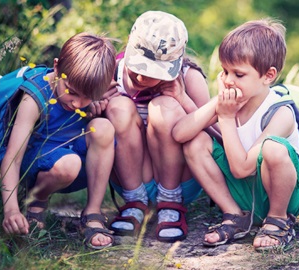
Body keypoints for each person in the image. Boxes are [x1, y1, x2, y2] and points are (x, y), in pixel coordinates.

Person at [172, 18, 299, 251]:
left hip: (281, 196)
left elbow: (242, 168)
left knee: (273, 148)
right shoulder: (230, 100)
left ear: (268, 76)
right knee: (195, 142)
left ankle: (278, 221)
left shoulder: (281, 112)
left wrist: (225, 118)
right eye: (224, 71)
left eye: (238, 74)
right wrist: (216, 106)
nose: (227, 81)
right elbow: (179, 134)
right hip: (243, 193)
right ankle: (235, 215)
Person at [88, 11, 215, 242]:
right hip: (132, 179)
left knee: (163, 107)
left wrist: (183, 99)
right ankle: (134, 201)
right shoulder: (111, 73)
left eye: (151, 72)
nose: (141, 78)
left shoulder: (190, 77)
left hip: (180, 180)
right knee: (118, 106)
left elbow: (214, 134)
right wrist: (94, 108)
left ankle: (171, 203)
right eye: (139, 67)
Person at [0, 32, 118, 250]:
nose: (77, 103)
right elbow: (12, 158)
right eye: (71, 92)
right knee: (69, 164)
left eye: (86, 97)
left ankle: (92, 213)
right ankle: (36, 199)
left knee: (104, 127)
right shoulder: (35, 97)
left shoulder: (87, 90)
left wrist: (96, 108)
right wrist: (11, 210)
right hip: (37, 165)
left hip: (72, 157)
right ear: (56, 67)